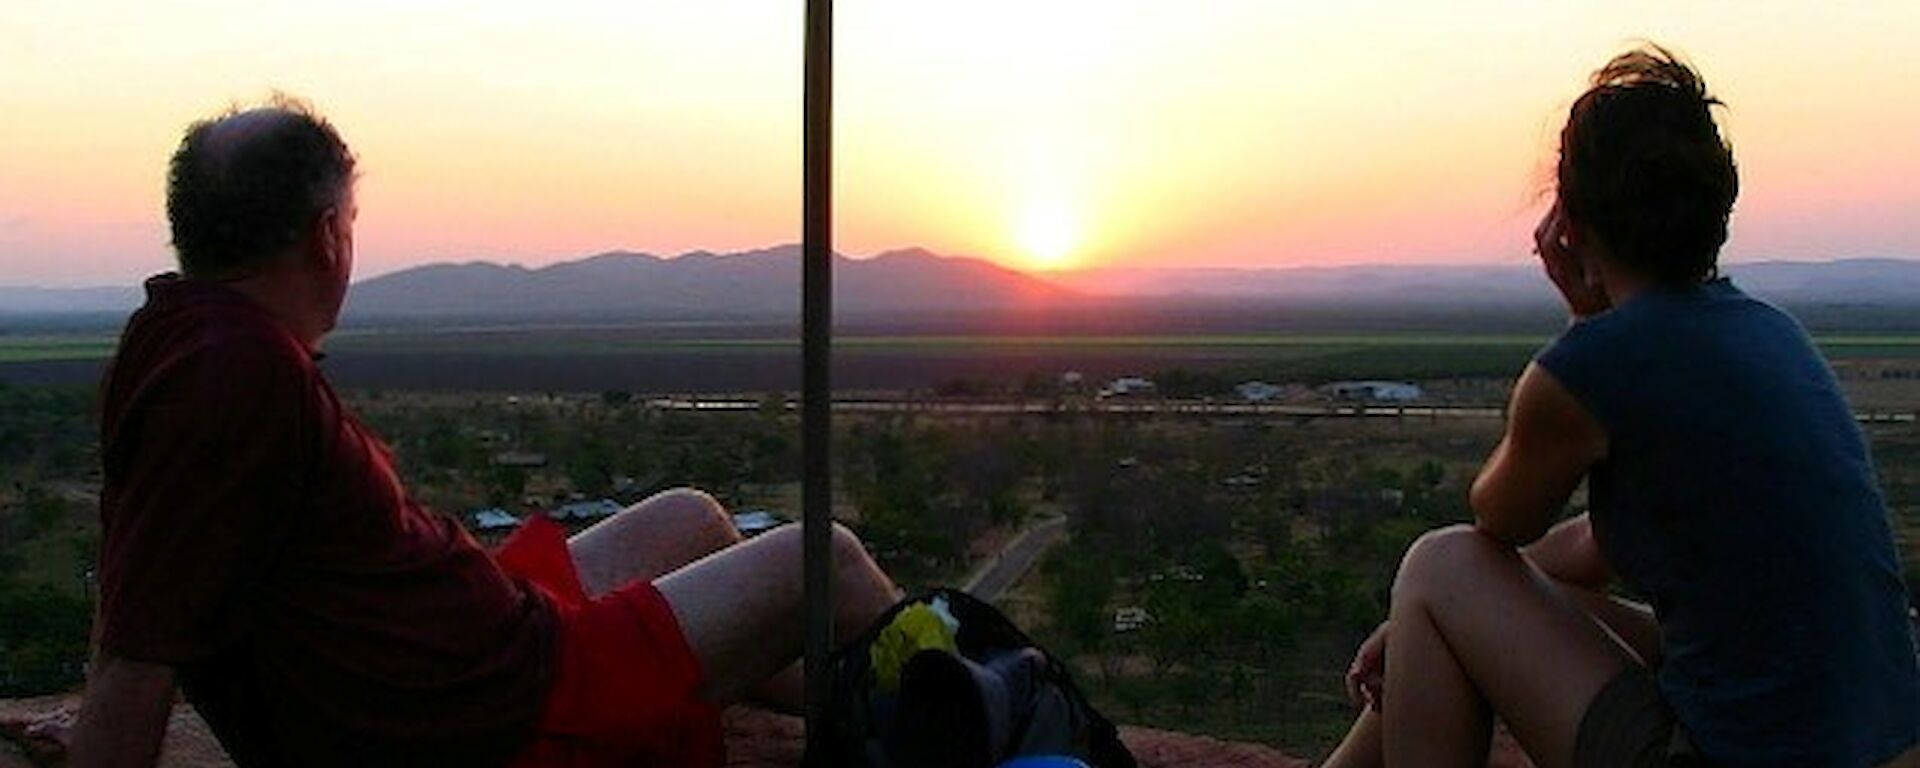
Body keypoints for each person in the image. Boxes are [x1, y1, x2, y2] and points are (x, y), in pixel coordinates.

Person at [68, 97, 903, 767]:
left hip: (468, 650)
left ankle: (840, 698)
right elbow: (143, 637)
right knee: (822, 560)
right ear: (328, 236)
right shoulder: (232, 377)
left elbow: (140, 569)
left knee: (690, 517)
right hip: (501, 712)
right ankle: (991, 717)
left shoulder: (175, 336)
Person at [1322, 45, 1919, 768]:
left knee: (1436, 562)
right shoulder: (1769, 333)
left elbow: (1495, 525)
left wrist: (1585, 321)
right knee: (1452, 598)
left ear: (1568, 220)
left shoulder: (1592, 367)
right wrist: (1426, 623)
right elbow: (1590, 546)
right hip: (1873, 742)